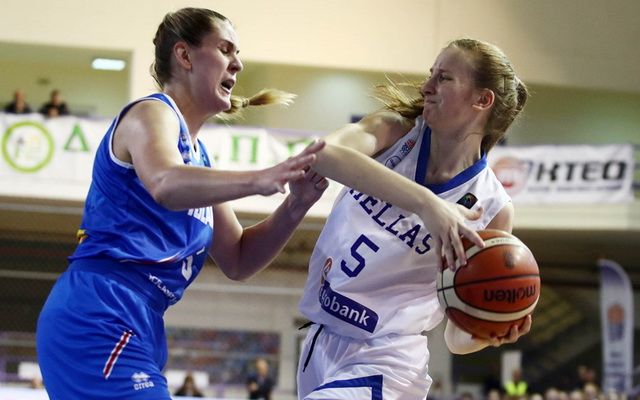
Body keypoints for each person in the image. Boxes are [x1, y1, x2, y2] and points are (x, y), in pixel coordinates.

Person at [35, 7, 327, 400]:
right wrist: (259, 178)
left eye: (237, 53)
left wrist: (295, 206)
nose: (238, 64)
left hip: (141, 319)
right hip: (100, 312)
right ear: (185, 55)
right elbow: (164, 183)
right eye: (225, 49)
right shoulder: (151, 113)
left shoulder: (199, 158)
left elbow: (239, 259)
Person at [296, 38, 533, 399]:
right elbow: (321, 155)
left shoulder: (492, 207)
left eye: (444, 78)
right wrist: (428, 205)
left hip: (388, 360)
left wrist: (488, 329)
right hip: (320, 340)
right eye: (430, 74)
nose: (426, 87)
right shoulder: (395, 133)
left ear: (482, 100)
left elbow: (455, 338)